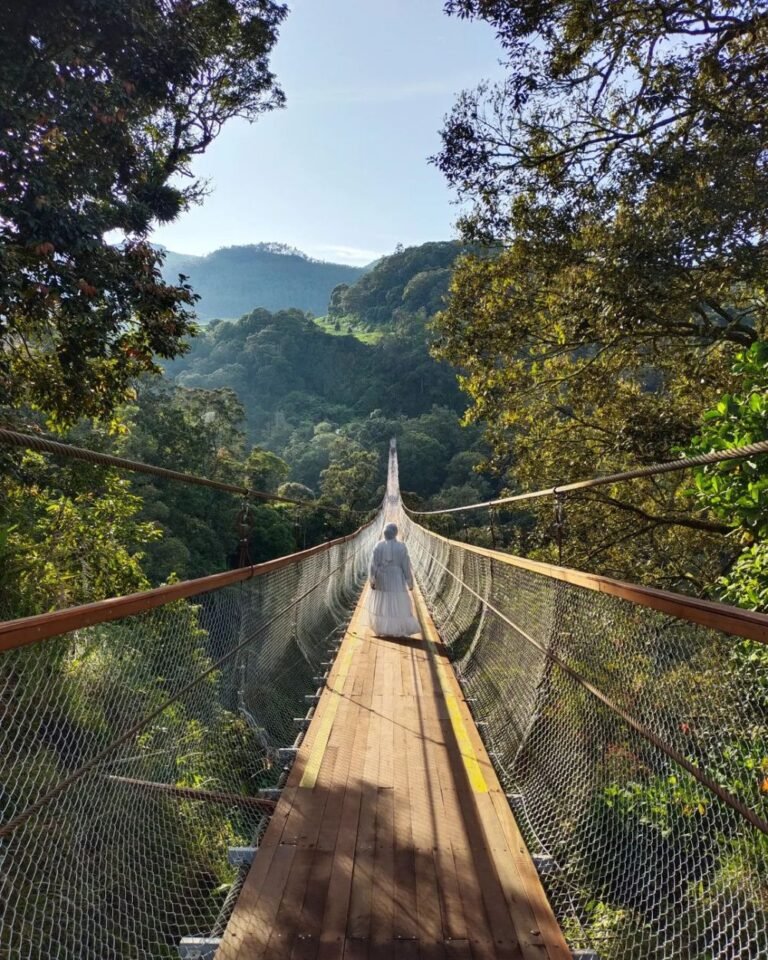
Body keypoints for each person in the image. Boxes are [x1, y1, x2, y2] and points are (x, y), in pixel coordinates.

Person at [368, 522, 420, 637]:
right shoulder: (401, 546)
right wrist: (410, 582)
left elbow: (373, 565)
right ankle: (397, 629)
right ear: (395, 533)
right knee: (396, 599)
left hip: (382, 576)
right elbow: (406, 566)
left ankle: (383, 628)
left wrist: (372, 579)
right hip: (396, 577)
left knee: (384, 600)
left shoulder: (378, 546)